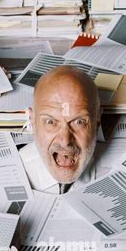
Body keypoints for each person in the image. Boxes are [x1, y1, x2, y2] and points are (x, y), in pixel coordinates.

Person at [21, 65, 101, 194]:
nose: (65, 141)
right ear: (32, 120)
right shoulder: (8, 173)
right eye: (51, 122)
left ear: (97, 118)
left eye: (79, 122)